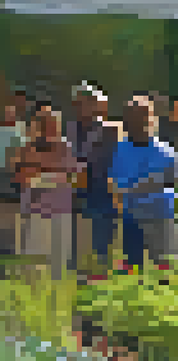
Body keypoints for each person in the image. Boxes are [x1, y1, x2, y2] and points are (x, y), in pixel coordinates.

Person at [109, 96, 178, 269]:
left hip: (161, 217)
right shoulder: (119, 150)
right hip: (131, 218)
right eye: (132, 116)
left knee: (167, 269)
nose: (137, 121)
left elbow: (175, 179)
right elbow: (115, 184)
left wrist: (144, 185)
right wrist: (144, 184)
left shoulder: (166, 151)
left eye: (142, 116)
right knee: (133, 270)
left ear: (151, 119)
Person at [10, 106, 81, 279]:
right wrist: (48, 175)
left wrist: (46, 175)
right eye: (46, 124)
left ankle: (54, 294)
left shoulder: (65, 146)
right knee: (34, 262)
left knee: (58, 261)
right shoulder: (28, 147)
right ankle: (32, 294)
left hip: (60, 212)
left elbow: (75, 177)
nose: (50, 128)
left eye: (53, 124)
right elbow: (21, 176)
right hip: (35, 212)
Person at [68, 84, 121, 274]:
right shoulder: (68, 129)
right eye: (79, 103)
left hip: (101, 192)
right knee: (72, 241)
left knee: (101, 241)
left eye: (89, 102)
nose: (84, 107)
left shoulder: (110, 131)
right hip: (73, 192)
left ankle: (100, 275)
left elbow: (115, 160)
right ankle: (72, 275)